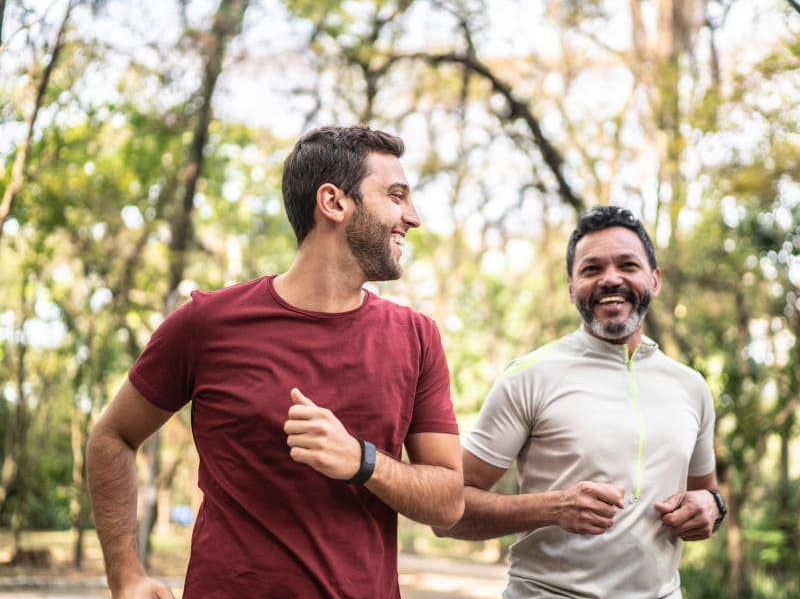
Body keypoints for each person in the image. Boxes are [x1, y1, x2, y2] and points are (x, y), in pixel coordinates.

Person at [86, 125, 464, 599]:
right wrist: (125, 576)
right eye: (396, 195)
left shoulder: (417, 338)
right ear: (334, 202)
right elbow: (112, 436)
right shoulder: (207, 323)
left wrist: (362, 461)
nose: (413, 217)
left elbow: (448, 501)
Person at [437, 205, 726, 598]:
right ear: (571, 288)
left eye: (628, 265)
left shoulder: (690, 386)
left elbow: (707, 492)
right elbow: (447, 512)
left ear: (654, 280)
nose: (611, 279)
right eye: (591, 269)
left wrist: (712, 507)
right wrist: (552, 508)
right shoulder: (529, 376)